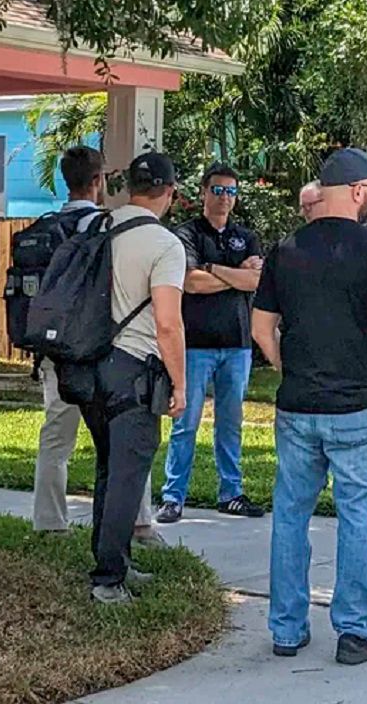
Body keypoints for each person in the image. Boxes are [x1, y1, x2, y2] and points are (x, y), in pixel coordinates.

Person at [252, 148, 367, 665]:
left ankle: (287, 630)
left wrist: (283, 364)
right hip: (355, 407)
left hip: (297, 406)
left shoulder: (285, 250)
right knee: (357, 518)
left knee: (291, 515)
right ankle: (356, 631)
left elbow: (260, 326)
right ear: (359, 191)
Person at [32, 146, 166, 547]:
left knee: (56, 438)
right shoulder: (106, 227)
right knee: (123, 443)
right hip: (99, 350)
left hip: (54, 350)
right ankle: (138, 523)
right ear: (98, 181)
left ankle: (49, 522)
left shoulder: (46, 225)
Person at [85, 152, 188, 605]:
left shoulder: (98, 227)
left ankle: (116, 558)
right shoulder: (164, 245)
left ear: (130, 188)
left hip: (88, 364)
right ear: (169, 191)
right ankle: (108, 580)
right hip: (134, 367)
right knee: (129, 474)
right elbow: (168, 323)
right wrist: (180, 384)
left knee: (109, 467)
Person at [156, 163, 265, 524]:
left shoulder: (245, 237)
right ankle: (173, 497)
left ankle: (231, 493)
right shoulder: (185, 235)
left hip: (237, 344)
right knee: (186, 422)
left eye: (231, 192)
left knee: (230, 423)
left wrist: (215, 269)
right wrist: (235, 274)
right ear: (203, 192)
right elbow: (190, 282)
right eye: (217, 190)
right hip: (195, 344)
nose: (224, 198)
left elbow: (255, 283)